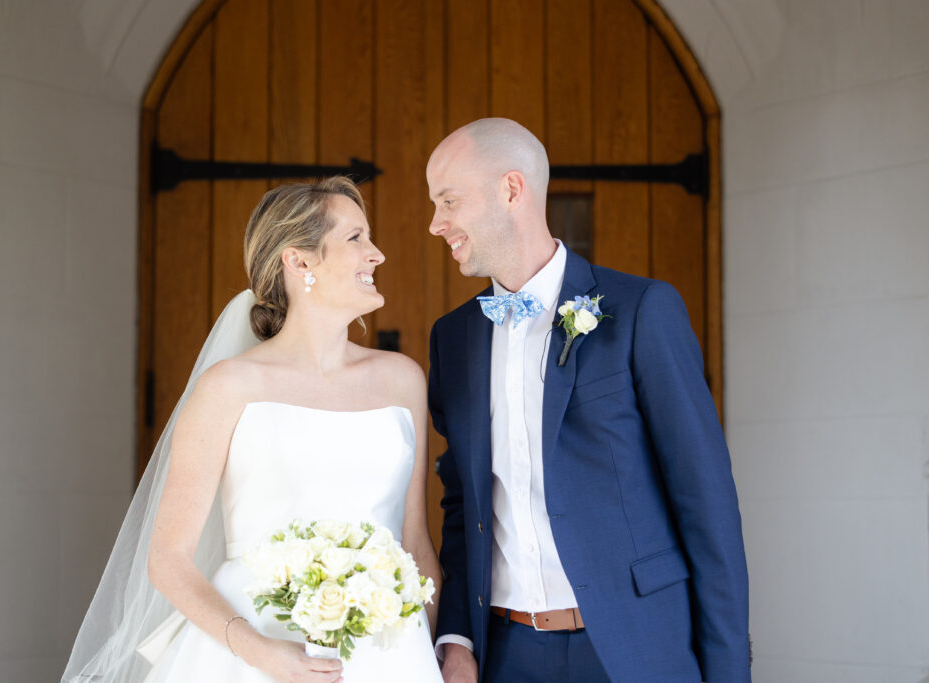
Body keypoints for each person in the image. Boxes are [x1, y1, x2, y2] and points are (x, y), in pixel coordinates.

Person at [62, 177, 443, 683]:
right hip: (252, 653)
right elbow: (168, 560)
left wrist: (414, 652)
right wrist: (259, 653)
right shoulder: (228, 388)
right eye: (356, 238)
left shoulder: (403, 380)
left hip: (389, 654)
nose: (376, 255)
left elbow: (415, 546)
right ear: (298, 260)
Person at [426, 118, 750, 683]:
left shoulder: (641, 310)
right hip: (505, 656)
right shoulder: (454, 339)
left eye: (449, 201)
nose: (436, 224)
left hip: (634, 650)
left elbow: (707, 505)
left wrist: (727, 673)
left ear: (511, 189)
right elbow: (462, 507)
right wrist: (455, 637)